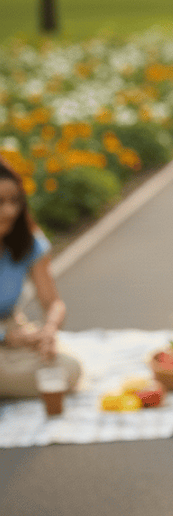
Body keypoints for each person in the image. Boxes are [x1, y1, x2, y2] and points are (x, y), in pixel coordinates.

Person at [0, 158, 82, 398]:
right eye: (0, 202)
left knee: (69, 371)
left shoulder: (28, 241)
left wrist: (49, 330)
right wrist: (7, 337)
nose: (9, 211)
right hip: (9, 337)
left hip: (14, 333)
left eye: (14, 201)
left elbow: (52, 303)